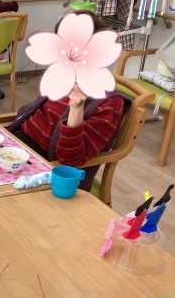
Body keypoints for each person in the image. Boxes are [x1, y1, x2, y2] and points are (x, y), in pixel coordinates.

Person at [9, 11, 130, 191]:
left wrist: (76, 109)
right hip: (18, 148)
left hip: (48, 169)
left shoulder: (109, 103)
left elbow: (70, 161)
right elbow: (38, 116)